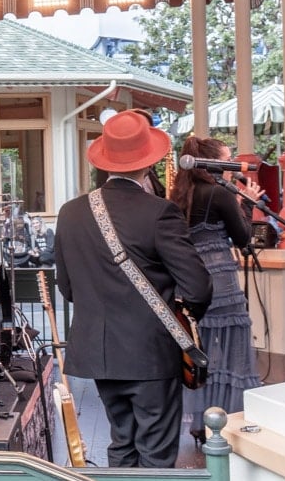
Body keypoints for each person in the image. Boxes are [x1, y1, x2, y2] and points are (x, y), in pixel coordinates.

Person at [54, 110, 212, 468]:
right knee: (156, 454)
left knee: (121, 444)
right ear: (149, 161)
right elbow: (198, 287)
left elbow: (68, 287)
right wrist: (184, 318)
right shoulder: (160, 213)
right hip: (151, 352)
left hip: (98, 351)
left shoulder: (70, 212)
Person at [169, 136, 264, 445]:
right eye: (227, 158)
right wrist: (247, 204)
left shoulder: (178, 197)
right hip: (221, 282)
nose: (232, 163)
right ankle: (227, 419)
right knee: (233, 353)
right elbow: (242, 239)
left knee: (201, 351)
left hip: (189, 282)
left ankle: (200, 421)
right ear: (213, 163)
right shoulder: (220, 194)